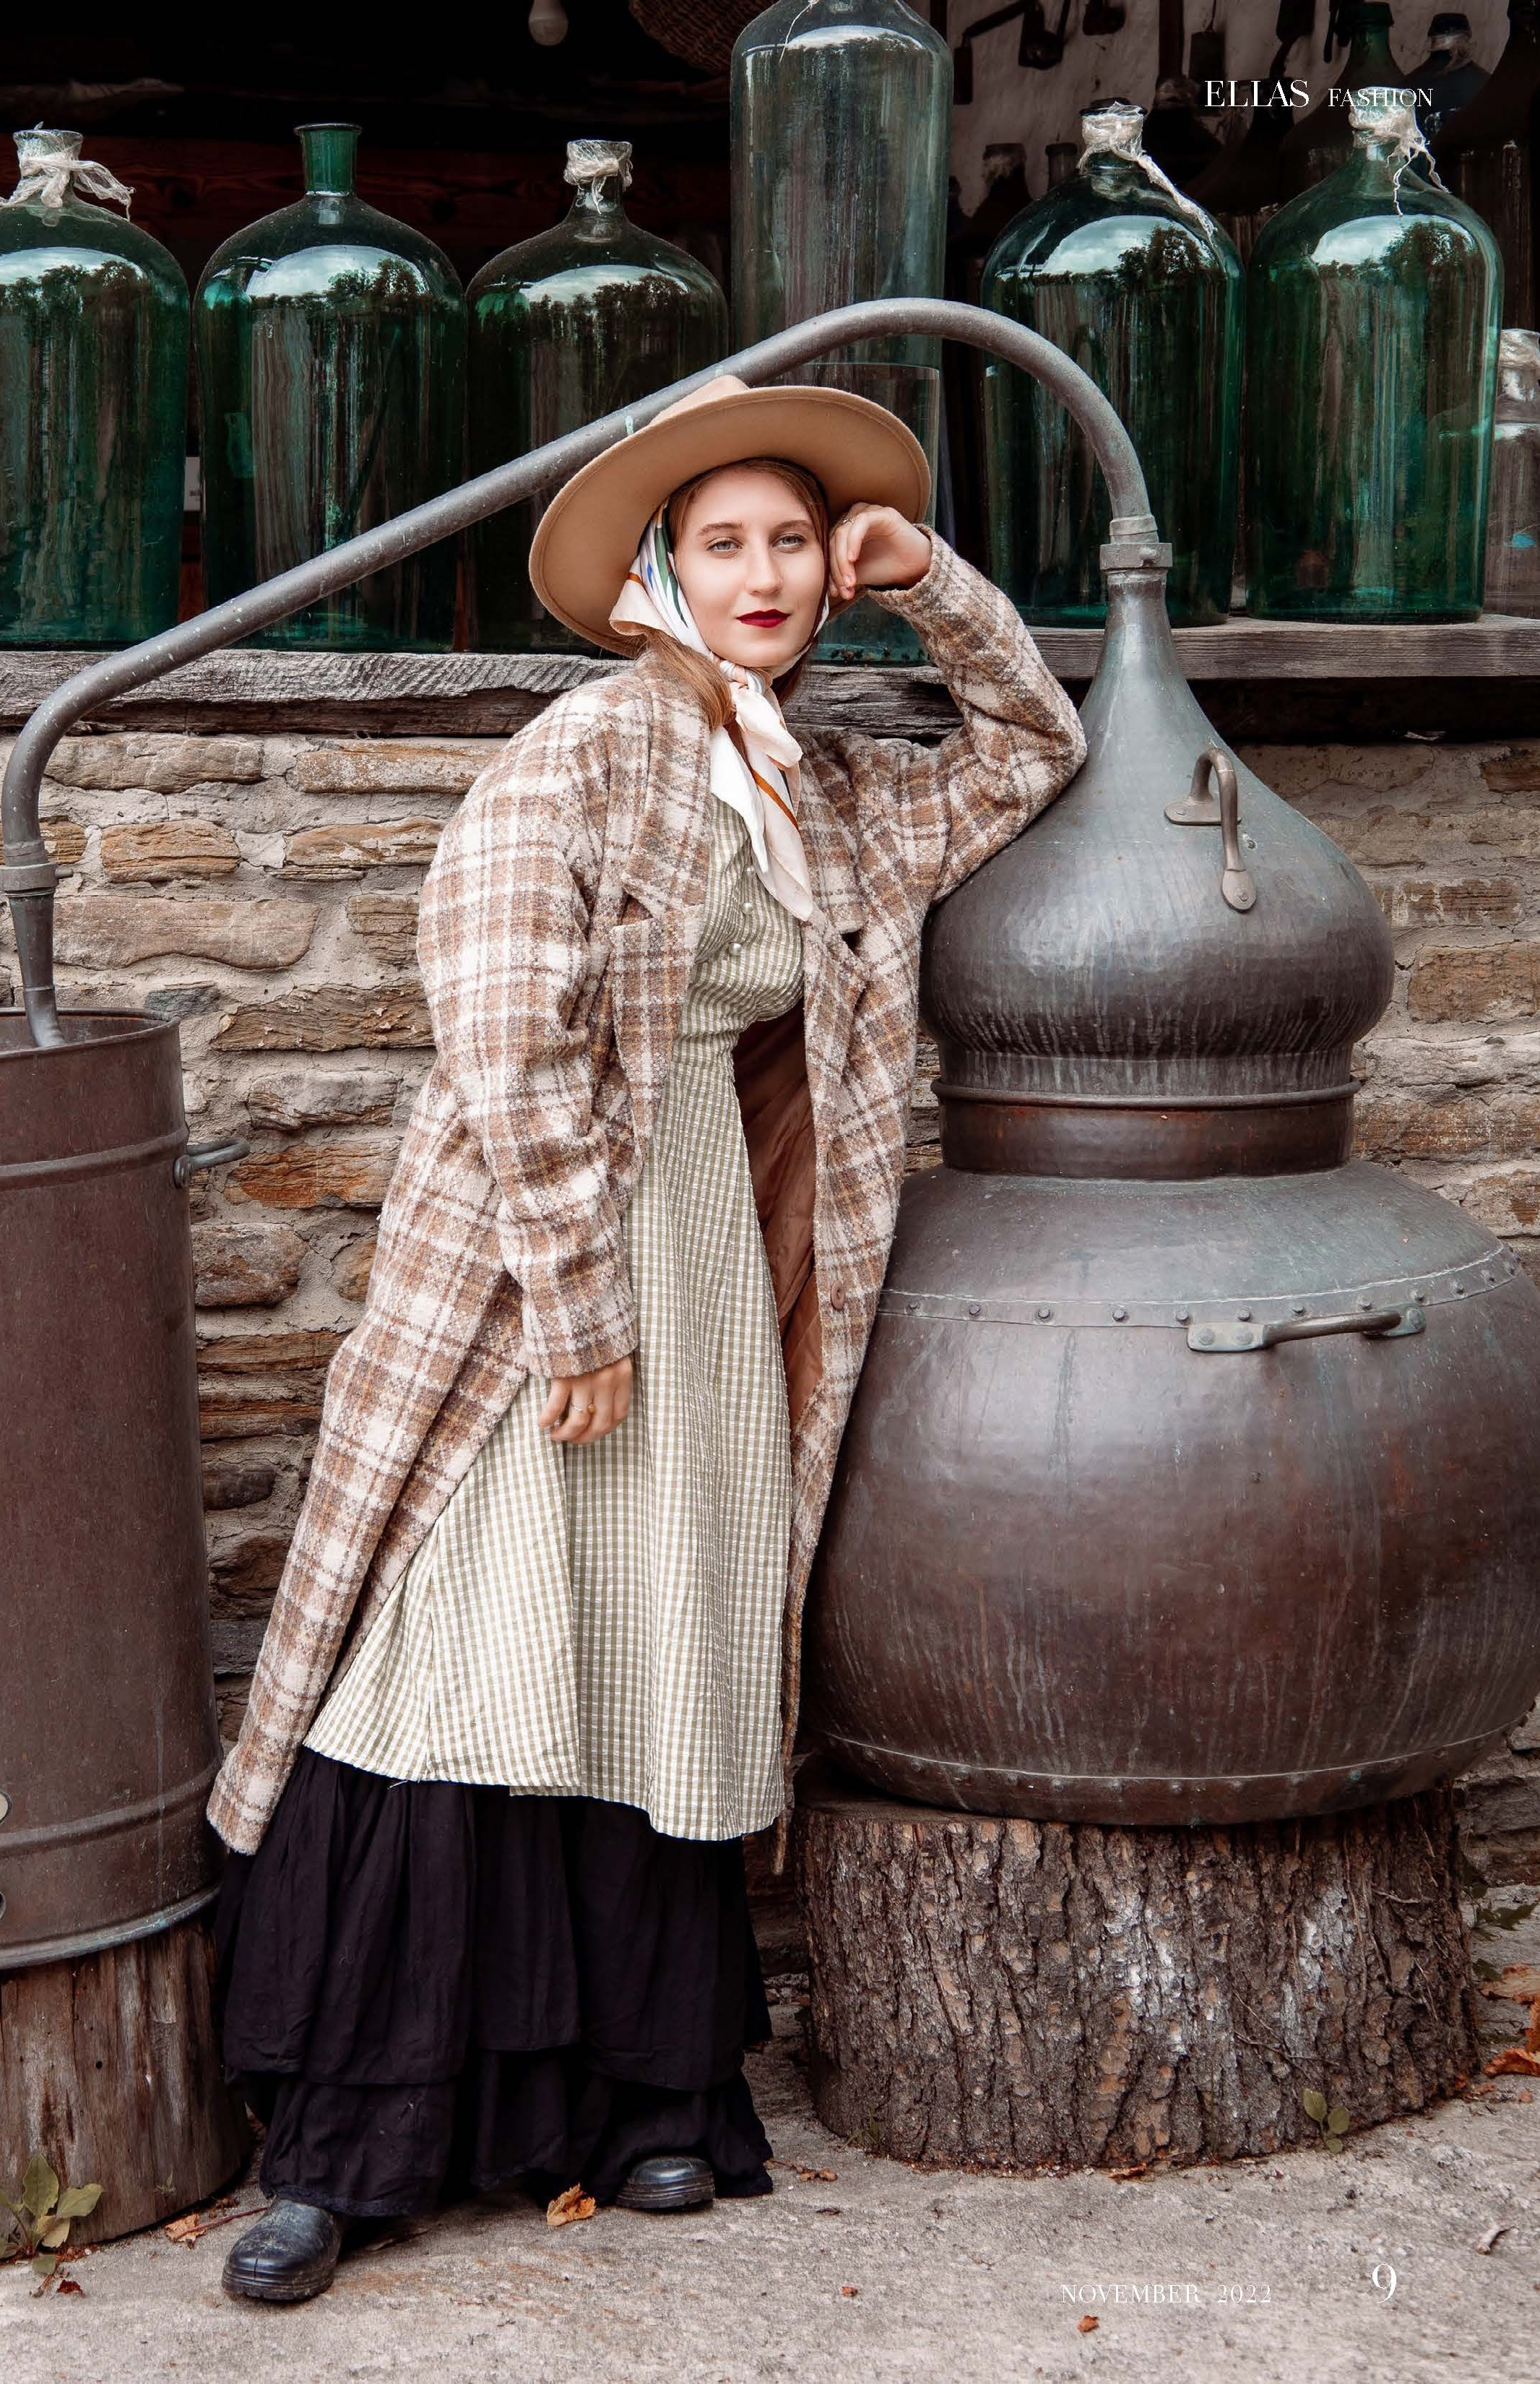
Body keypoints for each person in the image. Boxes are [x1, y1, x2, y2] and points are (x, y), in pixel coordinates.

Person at [207, 373, 1086, 2302]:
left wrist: (928, 575)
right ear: (651, 580)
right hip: (550, 1268)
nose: (766, 575)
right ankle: (346, 2147)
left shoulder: (827, 791)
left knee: (651, 1644)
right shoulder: (578, 759)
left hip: (708, 1255)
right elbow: (502, 1038)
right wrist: (576, 1303)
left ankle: (641, 2102)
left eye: (791, 541)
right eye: (725, 545)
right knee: (465, 1649)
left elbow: (1032, 740)